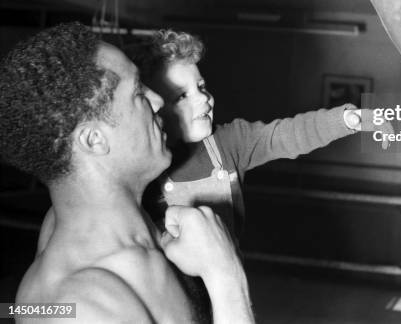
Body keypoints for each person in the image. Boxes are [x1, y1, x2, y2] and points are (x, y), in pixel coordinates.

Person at [0, 23, 254, 324]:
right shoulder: (84, 307)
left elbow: (15, 310)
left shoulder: (95, 219)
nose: (158, 100)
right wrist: (225, 274)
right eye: (138, 92)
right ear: (94, 140)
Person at [131, 29, 364, 237]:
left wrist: (346, 120)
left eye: (201, 86)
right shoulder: (140, 164)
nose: (203, 97)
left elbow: (285, 135)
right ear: (152, 106)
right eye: (182, 95)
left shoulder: (231, 142)